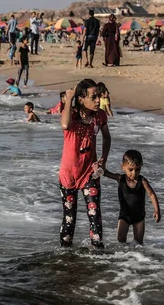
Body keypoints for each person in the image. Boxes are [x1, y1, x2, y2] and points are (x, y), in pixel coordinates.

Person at [59, 79, 111, 248]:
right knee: (69, 219)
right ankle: (66, 259)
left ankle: (99, 258)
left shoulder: (99, 116)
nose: (98, 100)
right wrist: (69, 97)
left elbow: (106, 136)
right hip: (69, 175)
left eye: (98, 96)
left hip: (89, 172)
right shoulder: (72, 115)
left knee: (95, 215)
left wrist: (103, 159)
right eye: (94, 97)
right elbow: (65, 124)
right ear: (81, 99)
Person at [98, 150, 161, 245]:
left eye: (137, 169)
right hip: (124, 215)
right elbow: (104, 173)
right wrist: (100, 167)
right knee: (121, 240)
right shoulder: (120, 179)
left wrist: (157, 210)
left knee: (139, 243)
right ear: (123, 167)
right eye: (130, 169)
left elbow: (151, 194)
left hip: (139, 216)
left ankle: (137, 258)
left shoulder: (142, 181)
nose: (134, 173)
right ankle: (124, 258)